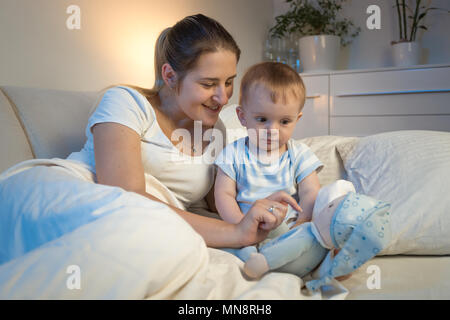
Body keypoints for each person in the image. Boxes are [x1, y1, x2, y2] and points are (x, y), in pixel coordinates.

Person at [0, 14, 300, 263]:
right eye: (209, 84)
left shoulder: (215, 129)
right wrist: (237, 234)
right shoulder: (126, 102)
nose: (223, 97)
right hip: (68, 194)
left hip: (146, 223)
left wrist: (258, 204)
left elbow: (218, 203)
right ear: (170, 76)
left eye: (229, 82)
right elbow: (124, 195)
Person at [214, 62, 323, 262]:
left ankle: (306, 262)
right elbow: (223, 194)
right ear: (242, 117)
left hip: (288, 229)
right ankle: (256, 260)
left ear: (296, 120)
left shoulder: (298, 153)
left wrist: (302, 222)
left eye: (284, 122)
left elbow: (311, 193)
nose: (272, 130)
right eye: (262, 119)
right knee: (236, 252)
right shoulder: (233, 153)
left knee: (313, 242)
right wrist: (240, 226)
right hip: (247, 228)